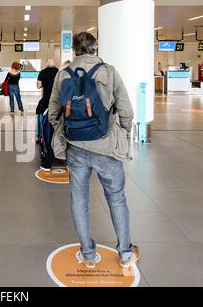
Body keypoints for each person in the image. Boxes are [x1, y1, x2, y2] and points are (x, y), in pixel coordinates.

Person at [48, 32, 139, 269]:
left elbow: (53, 113)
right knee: (116, 198)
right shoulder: (108, 71)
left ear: (74, 50)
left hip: (76, 148)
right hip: (106, 146)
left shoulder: (62, 74)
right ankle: (125, 253)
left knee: (79, 200)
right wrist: (124, 133)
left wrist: (67, 130)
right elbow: (126, 111)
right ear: (94, 48)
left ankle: (88, 254)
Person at [36, 59, 60, 171]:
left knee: (45, 124)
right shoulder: (59, 73)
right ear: (54, 64)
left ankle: (39, 136)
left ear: (46, 63)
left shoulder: (42, 72)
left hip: (48, 103)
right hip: (60, 106)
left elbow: (38, 86)